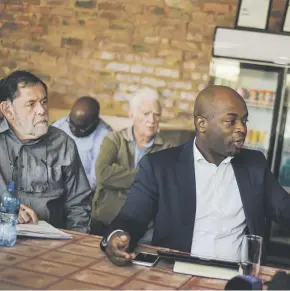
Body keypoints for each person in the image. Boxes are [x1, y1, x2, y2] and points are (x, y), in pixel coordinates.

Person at [101, 85, 290, 266]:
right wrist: (117, 238)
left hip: (236, 278)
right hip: (176, 271)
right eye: (232, 121)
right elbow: (131, 219)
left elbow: (284, 211)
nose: (242, 129)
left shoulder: (253, 164)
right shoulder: (160, 166)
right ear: (202, 124)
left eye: (244, 120)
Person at [0, 70, 91, 232]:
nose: (41, 110)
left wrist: (73, 244)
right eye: (31, 104)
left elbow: (79, 206)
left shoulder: (63, 144)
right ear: (8, 110)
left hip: (52, 243)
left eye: (44, 101)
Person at [91, 87, 174, 237]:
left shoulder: (167, 148)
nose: (152, 120)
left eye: (156, 115)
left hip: (145, 225)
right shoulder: (114, 139)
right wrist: (146, 179)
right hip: (106, 218)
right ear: (131, 115)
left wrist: (120, 177)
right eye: (146, 114)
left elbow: (165, 186)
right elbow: (102, 174)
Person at [52, 96, 112, 190]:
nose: (74, 130)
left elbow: (94, 181)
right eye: (71, 124)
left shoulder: (106, 138)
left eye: (81, 128)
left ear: (95, 122)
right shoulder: (60, 125)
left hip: (82, 191)